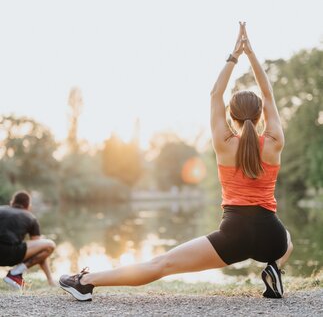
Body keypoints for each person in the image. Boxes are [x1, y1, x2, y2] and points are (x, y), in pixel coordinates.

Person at [59, 22, 293, 301]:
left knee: (161, 264)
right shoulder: (275, 142)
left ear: (231, 117)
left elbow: (215, 94)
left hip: (234, 235)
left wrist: (234, 55)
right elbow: (268, 95)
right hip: (272, 236)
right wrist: (252, 54)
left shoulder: (224, 142)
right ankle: (273, 269)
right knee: (287, 242)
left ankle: (85, 281)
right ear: (259, 116)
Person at [0, 191, 56, 288]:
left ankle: (15, 274)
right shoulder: (30, 217)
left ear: (11, 202)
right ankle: (15, 273)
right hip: (12, 255)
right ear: (28, 206)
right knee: (48, 245)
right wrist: (50, 279)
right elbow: (39, 249)